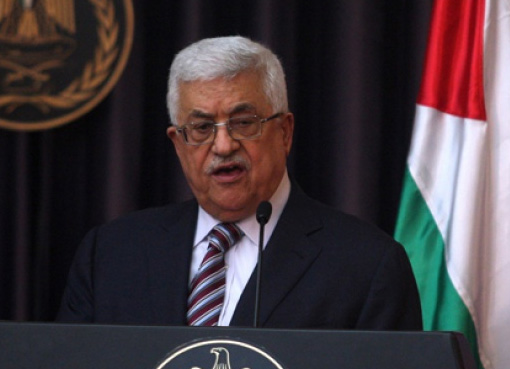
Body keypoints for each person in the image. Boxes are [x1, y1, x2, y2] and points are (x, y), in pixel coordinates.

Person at [56, 36, 422, 330]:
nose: (223, 145)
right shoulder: (110, 256)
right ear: (178, 144)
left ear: (285, 132)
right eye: (201, 128)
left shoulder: (366, 266)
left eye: (244, 123)